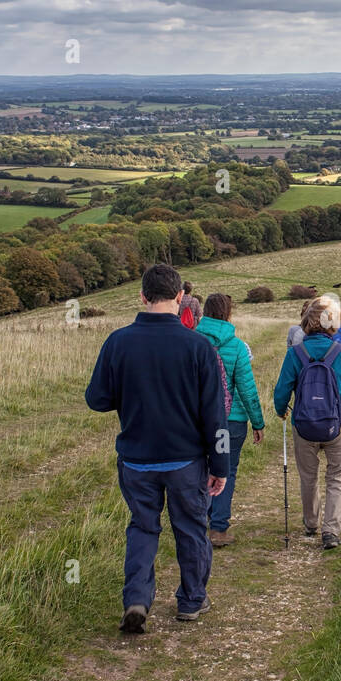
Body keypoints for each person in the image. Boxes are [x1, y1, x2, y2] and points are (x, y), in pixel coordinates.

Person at [85, 263, 229, 632]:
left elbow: (97, 399)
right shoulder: (198, 347)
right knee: (191, 527)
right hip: (186, 460)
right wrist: (221, 466)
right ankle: (192, 601)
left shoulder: (118, 342)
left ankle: (136, 598)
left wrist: (131, 392)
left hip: (136, 459)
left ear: (142, 296)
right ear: (180, 297)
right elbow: (215, 415)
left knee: (143, 528)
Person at [273, 295, 341, 550]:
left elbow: (281, 392)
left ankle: (311, 523)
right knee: (337, 476)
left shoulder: (295, 354)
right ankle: (331, 531)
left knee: (308, 476)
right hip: (339, 424)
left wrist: (281, 411)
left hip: (303, 425)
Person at [197, 293, 265, 547]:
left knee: (199, 470)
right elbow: (247, 389)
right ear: (228, 315)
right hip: (231, 422)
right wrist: (257, 422)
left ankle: (196, 523)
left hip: (197, 422)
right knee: (227, 471)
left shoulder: (191, 341)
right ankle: (218, 529)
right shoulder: (237, 347)